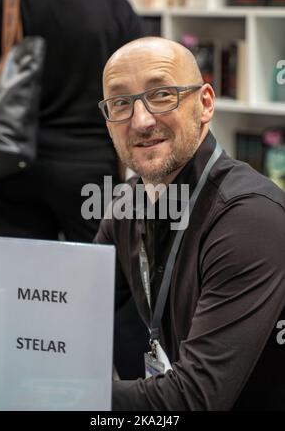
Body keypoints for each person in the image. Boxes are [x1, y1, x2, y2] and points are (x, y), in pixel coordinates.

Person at [94, 36, 285, 410]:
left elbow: (195, 400)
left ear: (205, 103)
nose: (141, 120)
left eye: (162, 94)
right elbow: (74, 315)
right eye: (120, 102)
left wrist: (65, 395)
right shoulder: (126, 204)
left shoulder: (249, 217)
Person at [0, 0, 148, 379]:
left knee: (18, 289)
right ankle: (97, 384)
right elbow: (136, 75)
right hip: (91, 169)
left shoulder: (10, 2)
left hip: (15, 162)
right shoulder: (115, 8)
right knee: (100, 291)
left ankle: (18, 381)